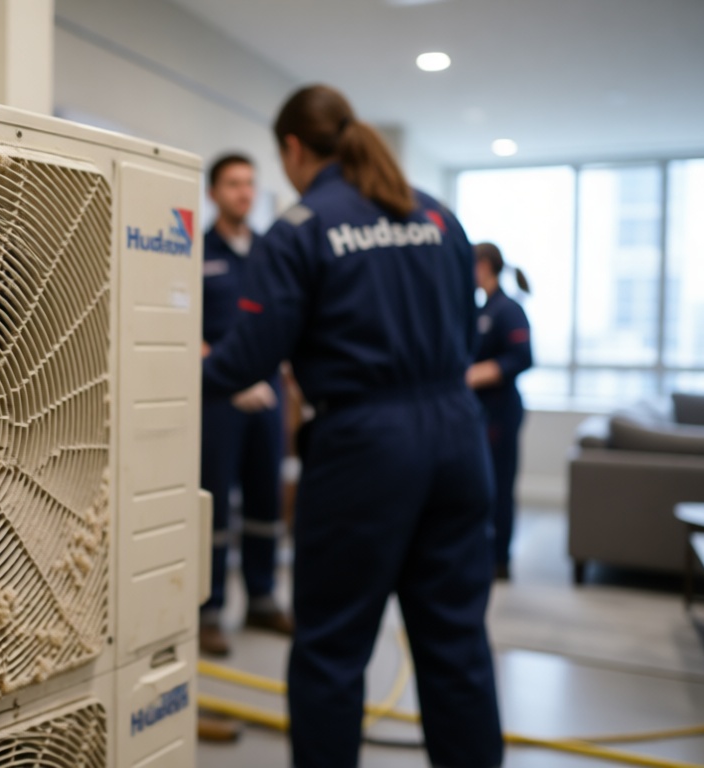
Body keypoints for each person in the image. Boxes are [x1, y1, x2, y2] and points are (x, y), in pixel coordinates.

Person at [202, 85, 503, 768]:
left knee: (332, 650)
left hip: (367, 448)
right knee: (456, 645)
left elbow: (253, 352)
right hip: (457, 436)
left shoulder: (304, 227)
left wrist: (181, 381)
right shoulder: (437, 216)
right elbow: (464, 330)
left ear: (295, 149)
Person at [198, 152, 293, 660]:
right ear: (214, 192)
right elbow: (182, 326)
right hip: (218, 396)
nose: (244, 192)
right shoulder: (195, 250)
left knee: (265, 502)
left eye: (250, 184)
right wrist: (228, 376)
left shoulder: (269, 252)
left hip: (268, 394)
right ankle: (208, 608)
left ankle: (260, 596)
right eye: (233, 183)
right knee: (214, 503)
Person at [467, 243, 533, 581]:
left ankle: (500, 560)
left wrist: (476, 375)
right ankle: (482, 553)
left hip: (501, 410)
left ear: (485, 266)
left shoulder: (507, 309)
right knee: (481, 483)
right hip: (479, 411)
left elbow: (522, 357)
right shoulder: (481, 309)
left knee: (499, 483)